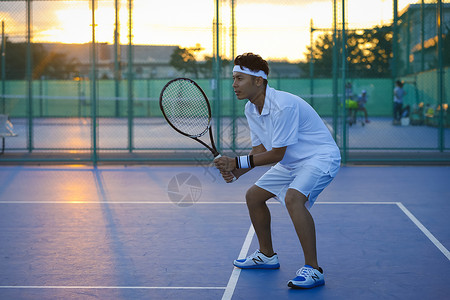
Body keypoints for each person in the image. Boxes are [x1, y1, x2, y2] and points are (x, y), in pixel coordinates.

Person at [214, 53, 341, 289]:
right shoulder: (251, 110)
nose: (234, 85)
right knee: (254, 196)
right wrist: (236, 171)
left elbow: (276, 155)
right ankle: (267, 255)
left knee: (294, 199)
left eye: (239, 79)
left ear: (258, 81)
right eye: (233, 79)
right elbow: (260, 150)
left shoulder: (283, 106)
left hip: (319, 158)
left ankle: (313, 270)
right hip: (292, 162)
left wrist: (236, 162)